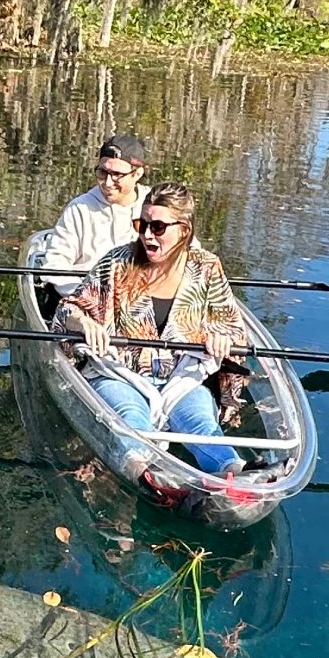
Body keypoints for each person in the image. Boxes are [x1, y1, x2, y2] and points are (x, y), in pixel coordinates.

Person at [54, 183, 250, 477]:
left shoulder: (207, 268)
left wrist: (222, 338)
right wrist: (84, 323)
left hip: (183, 377)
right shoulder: (118, 261)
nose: (146, 234)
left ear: (184, 229)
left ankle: (233, 472)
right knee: (132, 419)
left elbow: (232, 329)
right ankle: (146, 474)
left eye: (157, 227)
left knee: (202, 424)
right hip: (119, 374)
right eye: (141, 224)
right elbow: (67, 309)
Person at [33, 133, 148, 316]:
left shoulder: (155, 207)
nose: (108, 183)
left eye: (117, 174)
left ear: (138, 174)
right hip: (83, 303)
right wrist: (87, 300)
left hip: (139, 305)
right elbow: (55, 264)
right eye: (103, 172)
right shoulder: (79, 209)